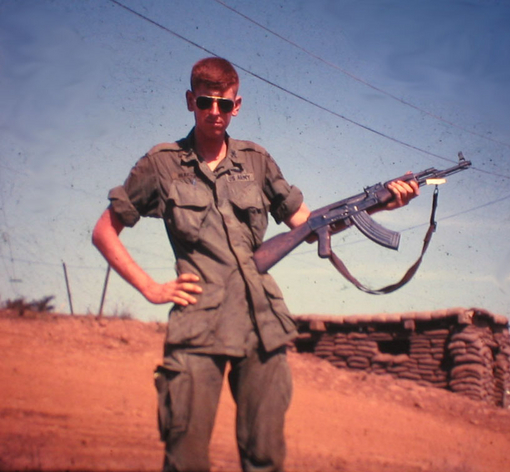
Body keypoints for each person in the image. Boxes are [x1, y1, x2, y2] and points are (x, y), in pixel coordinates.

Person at [92, 57, 418, 472]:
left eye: (224, 105)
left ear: (237, 106)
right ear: (190, 100)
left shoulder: (257, 161)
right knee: (185, 461)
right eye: (205, 102)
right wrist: (151, 288)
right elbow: (104, 230)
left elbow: (310, 224)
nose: (215, 113)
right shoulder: (162, 163)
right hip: (198, 326)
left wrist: (385, 203)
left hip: (260, 325)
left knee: (265, 459)